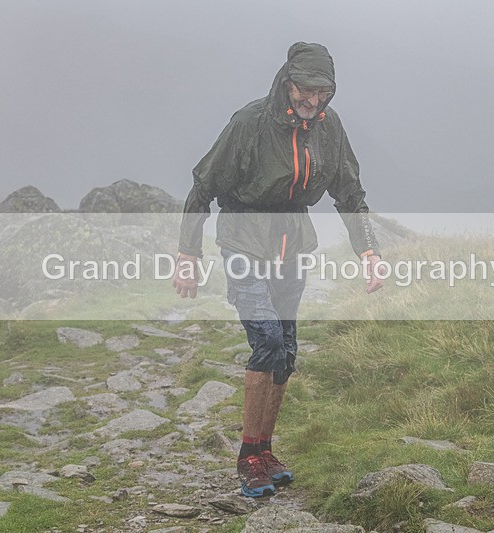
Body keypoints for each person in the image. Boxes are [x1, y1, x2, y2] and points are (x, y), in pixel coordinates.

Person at [173, 42, 384, 498]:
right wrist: (188, 254)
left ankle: (265, 450)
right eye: (305, 91)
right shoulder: (249, 123)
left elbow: (349, 192)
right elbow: (203, 184)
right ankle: (248, 457)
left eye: (322, 94)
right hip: (245, 238)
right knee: (266, 339)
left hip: (293, 241)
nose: (312, 102)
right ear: (286, 82)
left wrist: (368, 251)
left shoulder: (329, 128)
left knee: (286, 351)